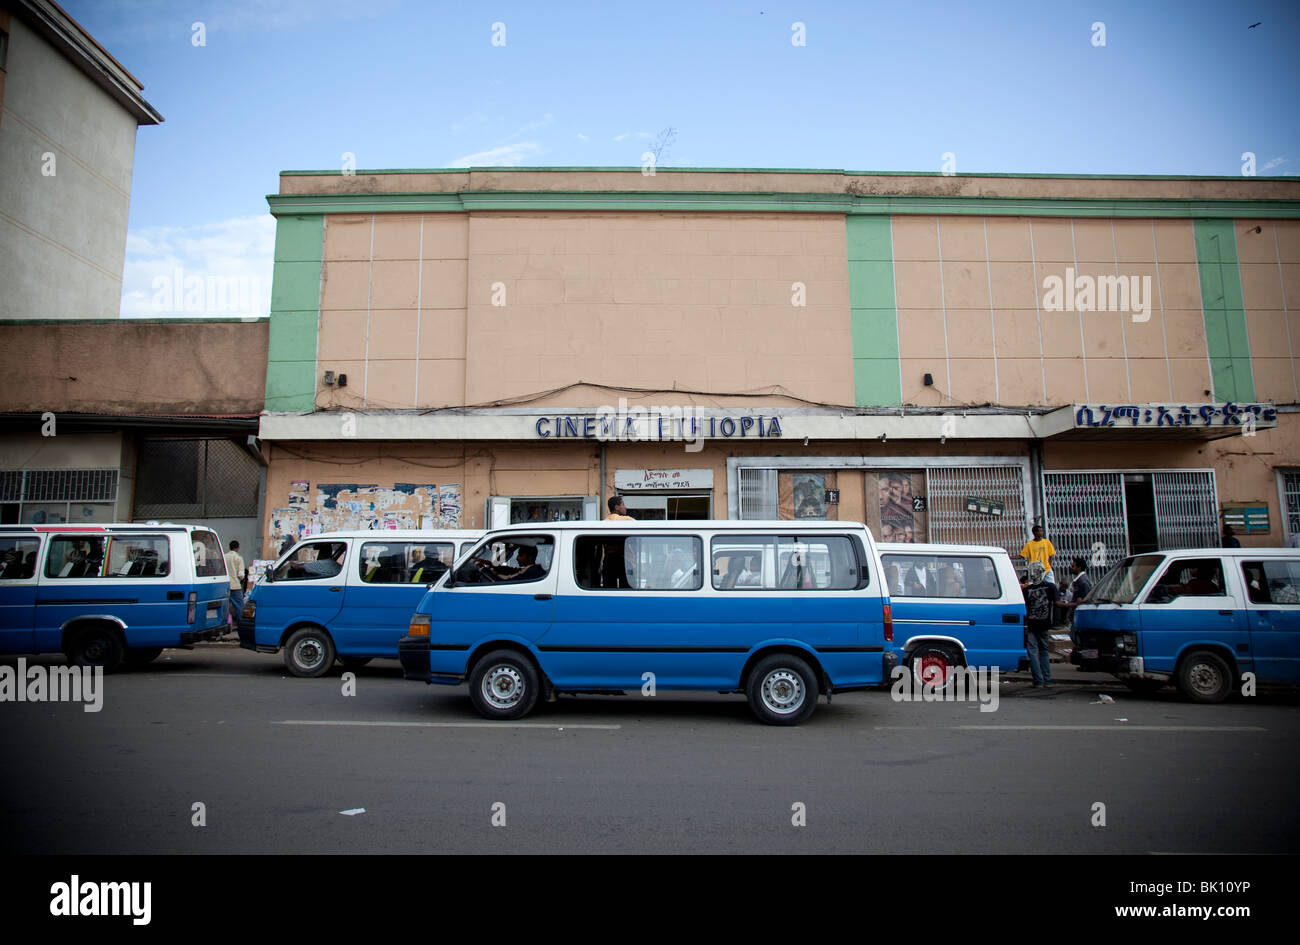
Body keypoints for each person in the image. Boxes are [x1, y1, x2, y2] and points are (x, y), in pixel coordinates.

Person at [1022, 561, 1059, 687]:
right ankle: (1047, 679)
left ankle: (1038, 680)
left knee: (1032, 652)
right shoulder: (1050, 587)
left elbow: (1025, 608)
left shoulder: (1027, 590)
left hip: (1032, 624)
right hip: (1044, 623)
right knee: (1044, 651)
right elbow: (1057, 604)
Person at [224, 540, 247, 628]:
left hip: (225, 585)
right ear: (237, 548)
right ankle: (240, 624)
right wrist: (242, 579)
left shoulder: (224, 557)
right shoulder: (239, 558)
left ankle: (226, 623)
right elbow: (241, 574)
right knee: (239, 606)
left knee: (225, 606)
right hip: (235, 586)